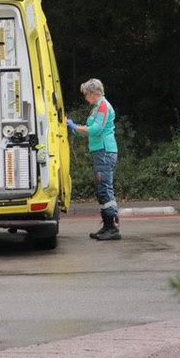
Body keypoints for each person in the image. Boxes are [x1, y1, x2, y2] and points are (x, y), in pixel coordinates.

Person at [67, 78, 120, 241]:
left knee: (104, 188)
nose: (85, 98)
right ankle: (107, 226)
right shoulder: (98, 107)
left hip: (104, 151)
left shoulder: (103, 106)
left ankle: (112, 228)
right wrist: (75, 128)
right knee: (102, 188)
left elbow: (96, 130)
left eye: (86, 94)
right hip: (101, 151)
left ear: (93, 93)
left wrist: (75, 127)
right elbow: (90, 130)